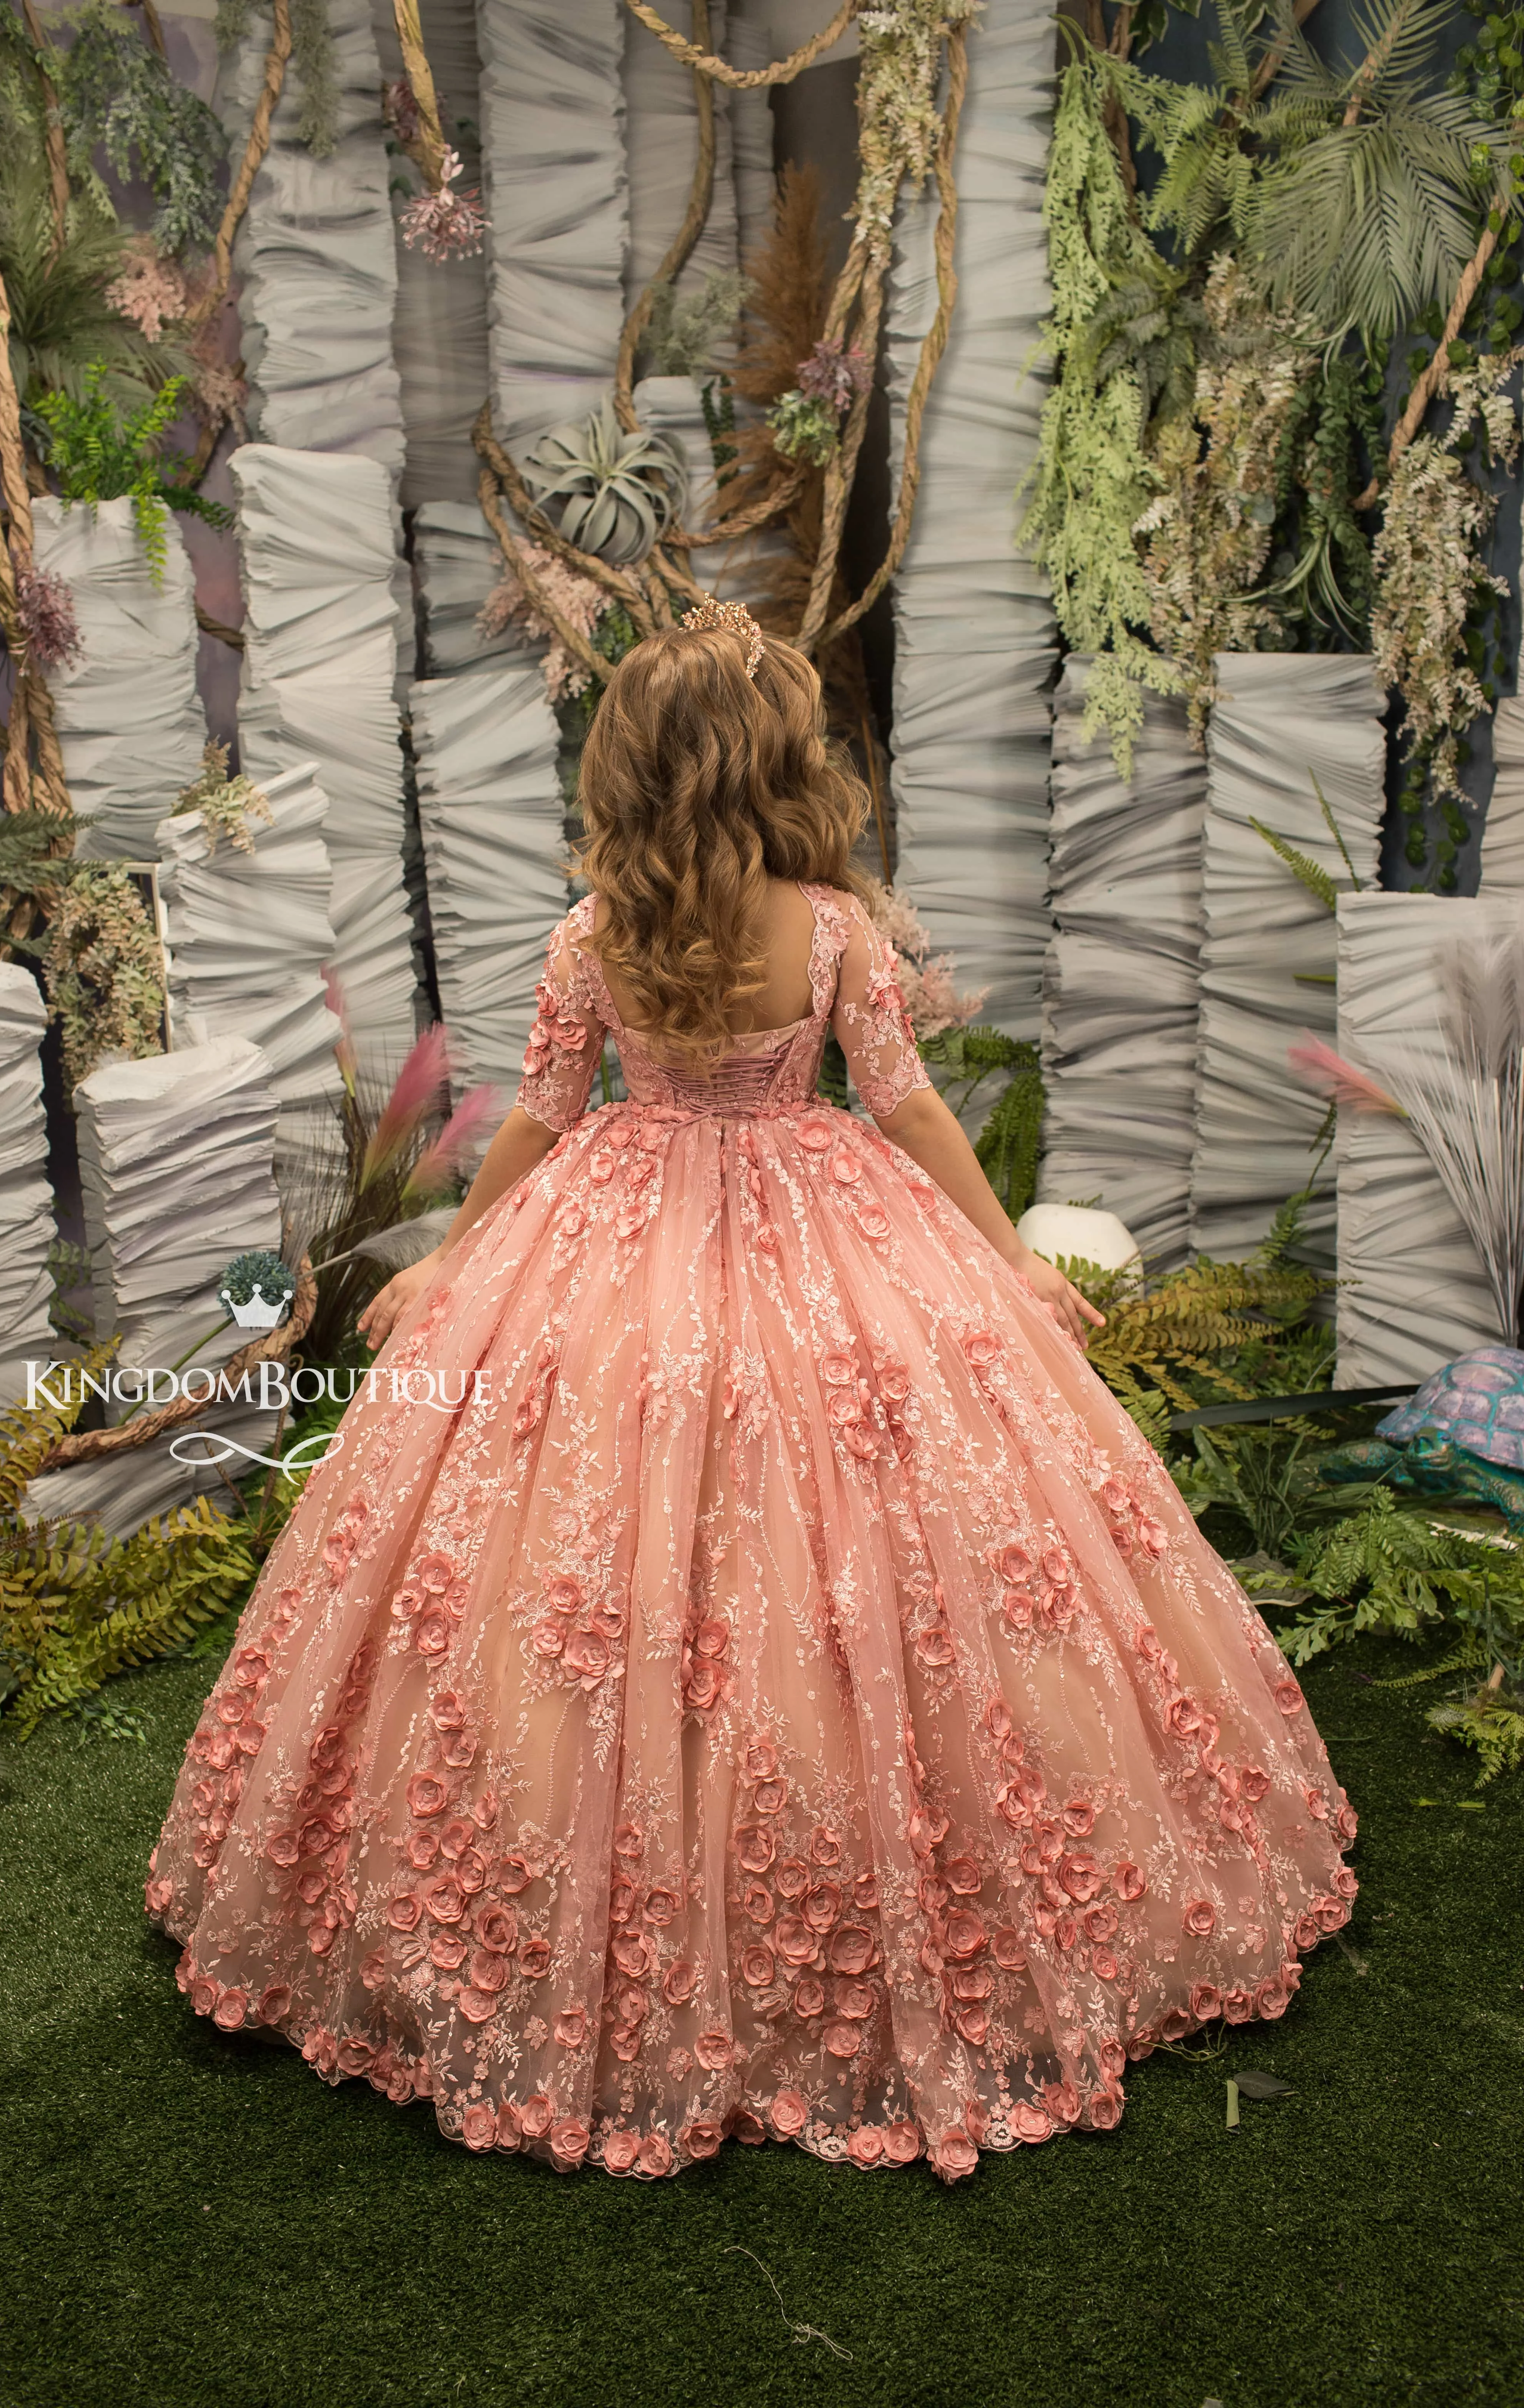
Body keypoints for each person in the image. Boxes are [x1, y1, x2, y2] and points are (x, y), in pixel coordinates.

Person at [147, 603, 1357, 2180]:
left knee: (581, 1552)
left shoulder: (593, 932)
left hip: (616, 1238)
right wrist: (1002, 1264)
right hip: (822, 1233)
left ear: (629, 770)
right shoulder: (831, 928)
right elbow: (906, 1105)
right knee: (846, 1547)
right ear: (776, 763)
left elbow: (538, 1119)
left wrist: (459, 1258)